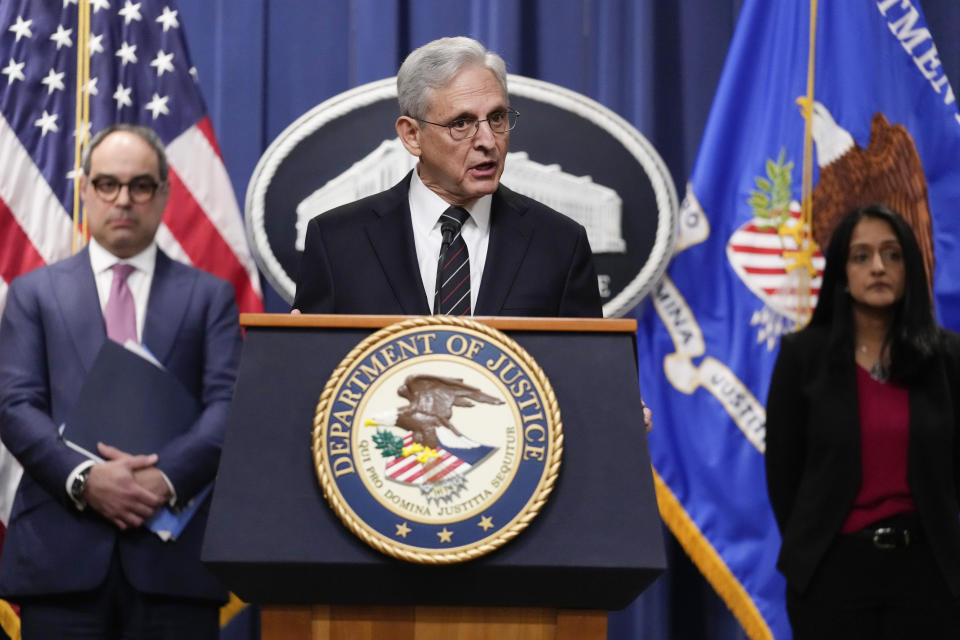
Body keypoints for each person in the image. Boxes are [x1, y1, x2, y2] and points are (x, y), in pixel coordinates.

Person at [0, 124, 241, 638]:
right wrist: (86, 479)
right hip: (60, 557)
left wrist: (162, 479)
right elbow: (15, 405)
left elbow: (229, 406)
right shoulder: (33, 294)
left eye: (140, 185)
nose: (123, 199)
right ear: (84, 190)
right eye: (107, 184)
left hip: (173, 564)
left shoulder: (210, 297)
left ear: (164, 193)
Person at [293, 36, 602, 318]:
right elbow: (311, 371)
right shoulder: (337, 242)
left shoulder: (560, 244)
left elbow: (588, 373)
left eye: (496, 118)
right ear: (412, 135)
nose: (489, 141)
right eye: (461, 123)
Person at [765, 203, 960, 638]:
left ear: (911, 267)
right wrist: (813, 555)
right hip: (831, 575)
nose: (878, 267)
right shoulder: (803, 357)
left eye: (892, 255)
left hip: (928, 575)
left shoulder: (946, 358)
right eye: (862, 256)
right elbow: (783, 475)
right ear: (841, 272)